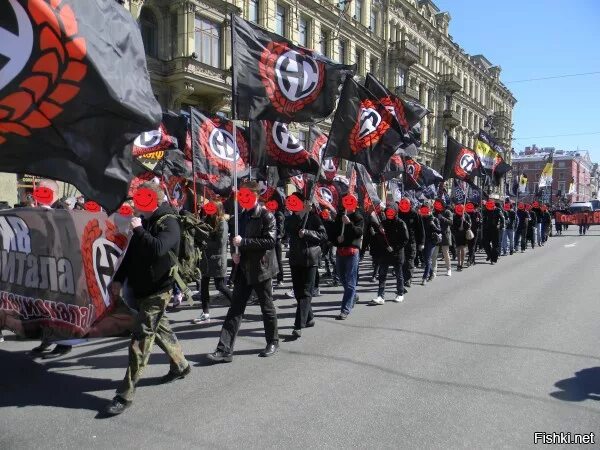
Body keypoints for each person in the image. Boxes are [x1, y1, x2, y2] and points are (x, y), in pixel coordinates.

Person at [105, 182, 190, 416]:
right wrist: (119, 279)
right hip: (141, 288)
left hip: (159, 289)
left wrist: (140, 229)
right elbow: (132, 253)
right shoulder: (144, 220)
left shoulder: (169, 221)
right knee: (159, 329)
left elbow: (158, 249)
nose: (136, 204)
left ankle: (125, 394)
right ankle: (181, 365)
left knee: (141, 338)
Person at [208, 181, 279, 362]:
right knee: (235, 309)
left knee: (266, 307)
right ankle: (224, 349)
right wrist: (235, 252)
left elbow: (270, 241)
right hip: (243, 269)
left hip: (261, 268)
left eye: (247, 195)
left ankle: (273, 341)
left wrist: (244, 242)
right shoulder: (240, 216)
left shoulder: (266, 216)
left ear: (255, 196)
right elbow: (234, 239)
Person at [29, 179, 72, 359]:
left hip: (59, 265)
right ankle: (48, 339)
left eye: (40, 191)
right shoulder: (42, 209)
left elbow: (63, 237)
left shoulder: (61, 210)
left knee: (58, 306)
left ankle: (64, 344)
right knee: (45, 306)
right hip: (44, 264)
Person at [284, 193, 327, 338]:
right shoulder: (290, 219)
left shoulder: (314, 218)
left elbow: (323, 236)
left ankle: (298, 325)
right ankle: (309, 317)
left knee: (306, 293)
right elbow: (290, 230)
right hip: (296, 259)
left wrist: (307, 233)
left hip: (311, 259)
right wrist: (302, 213)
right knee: (298, 292)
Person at [192, 201, 232, 324]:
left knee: (220, 286)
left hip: (217, 259)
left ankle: (237, 304)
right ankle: (205, 313)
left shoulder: (222, 223)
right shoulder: (206, 219)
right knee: (204, 286)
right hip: (206, 259)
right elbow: (202, 234)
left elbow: (220, 243)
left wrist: (205, 243)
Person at [330, 195, 363, 320]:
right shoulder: (340, 216)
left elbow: (358, 233)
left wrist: (349, 224)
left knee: (350, 281)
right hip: (340, 251)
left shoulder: (358, 217)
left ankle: (345, 309)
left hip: (352, 252)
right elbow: (333, 233)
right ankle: (353, 295)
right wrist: (336, 239)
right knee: (341, 277)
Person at [370, 205, 409, 304]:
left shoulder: (401, 223)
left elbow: (405, 239)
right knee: (382, 275)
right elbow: (379, 238)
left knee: (399, 275)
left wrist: (395, 248)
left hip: (397, 254)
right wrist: (380, 232)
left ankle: (400, 293)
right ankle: (380, 296)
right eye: (388, 212)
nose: (389, 214)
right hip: (385, 253)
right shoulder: (383, 223)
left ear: (395, 212)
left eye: (392, 212)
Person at [398, 198, 424, 289]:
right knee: (402, 261)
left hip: (412, 242)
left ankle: (408, 279)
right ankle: (402, 278)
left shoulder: (415, 214)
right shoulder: (398, 213)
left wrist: (421, 243)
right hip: (400, 242)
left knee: (409, 260)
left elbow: (421, 230)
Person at [431, 200, 453, 277]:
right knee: (434, 254)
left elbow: (451, 222)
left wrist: (442, 218)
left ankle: (449, 269)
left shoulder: (447, 212)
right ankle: (434, 271)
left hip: (445, 235)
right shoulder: (434, 213)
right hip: (436, 235)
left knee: (445, 253)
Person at [420, 204, 441, 284]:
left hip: (431, 242)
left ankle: (424, 278)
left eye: (426, 210)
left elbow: (439, 230)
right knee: (425, 260)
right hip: (422, 241)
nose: (424, 212)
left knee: (428, 259)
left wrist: (433, 225)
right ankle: (431, 273)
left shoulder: (434, 219)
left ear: (430, 210)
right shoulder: (420, 219)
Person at [481, 200, 504, 264]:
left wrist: (500, 225)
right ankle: (489, 255)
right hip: (487, 229)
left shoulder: (498, 210)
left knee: (495, 245)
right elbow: (483, 219)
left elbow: (502, 219)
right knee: (484, 243)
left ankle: (493, 259)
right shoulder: (485, 210)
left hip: (495, 229)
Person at [451, 204, 471, 271]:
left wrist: (464, 221)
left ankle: (461, 264)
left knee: (462, 249)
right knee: (458, 249)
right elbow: (452, 226)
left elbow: (469, 225)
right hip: (457, 235)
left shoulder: (466, 215)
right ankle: (458, 263)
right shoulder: (454, 216)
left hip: (464, 235)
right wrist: (457, 229)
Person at [465, 202, 481, 267]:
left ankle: (469, 259)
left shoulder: (477, 214)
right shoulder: (466, 213)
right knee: (470, 246)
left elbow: (480, 223)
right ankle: (472, 259)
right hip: (469, 231)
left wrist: (478, 221)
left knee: (472, 246)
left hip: (475, 231)